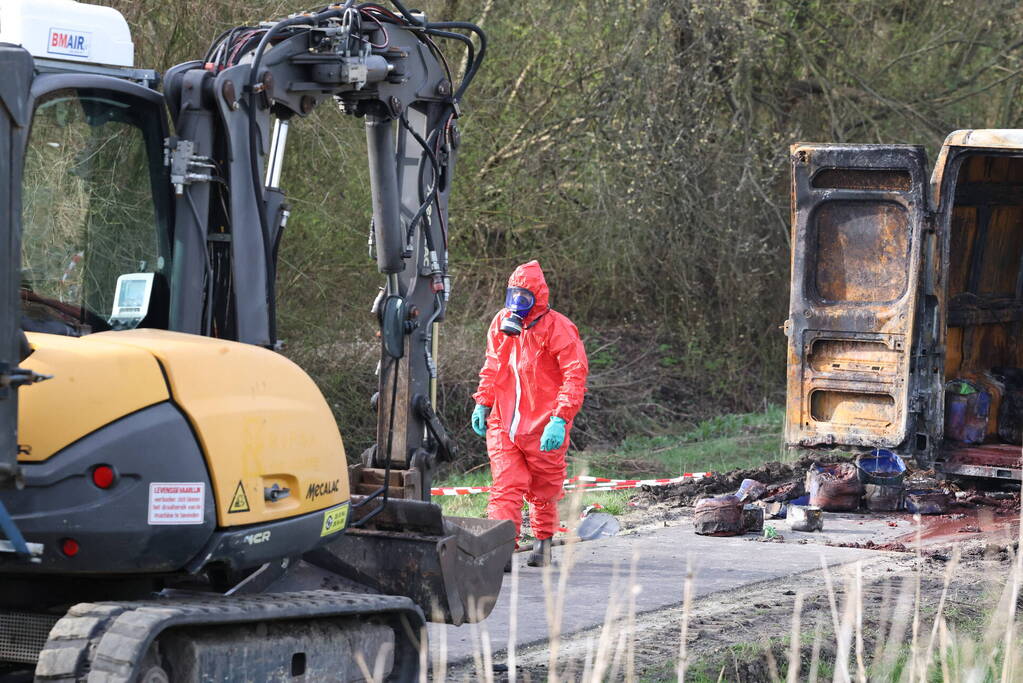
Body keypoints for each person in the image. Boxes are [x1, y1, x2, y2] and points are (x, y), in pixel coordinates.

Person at [471, 260, 588, 568]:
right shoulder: (501, 324)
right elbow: (492, 365)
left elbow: (574, 375)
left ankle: (544, 541)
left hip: (544, 424)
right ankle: (501, 550)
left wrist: (560, 418)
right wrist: (483, 402)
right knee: (505, 487)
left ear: (539, 296)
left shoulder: (558, 328)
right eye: (514, 294)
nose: (517, 303)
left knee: (544, 488)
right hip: (504, 423)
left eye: (525, 295)